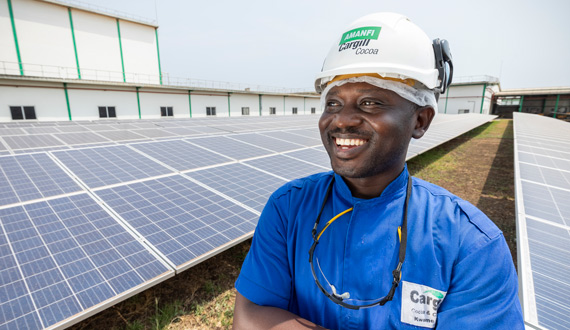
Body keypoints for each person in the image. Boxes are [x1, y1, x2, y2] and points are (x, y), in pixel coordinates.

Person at [233, 12, 524, 329]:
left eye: (370, 102)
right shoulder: (289, 208)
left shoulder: (471, 245)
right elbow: (250, 315)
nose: (342, 119)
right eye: (333, 103)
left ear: (420, 120)